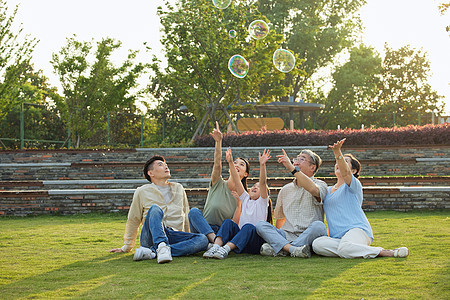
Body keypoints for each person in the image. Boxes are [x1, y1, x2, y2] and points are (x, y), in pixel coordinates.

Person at [312, 139, 409, 259]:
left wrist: (338, 153)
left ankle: (384, 252)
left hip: (358, 231)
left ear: (353, 171)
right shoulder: (327, 190)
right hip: (337, 237)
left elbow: (346, 174)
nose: (338, 163)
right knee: (317, 245)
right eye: (337, 161)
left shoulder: (354, 185)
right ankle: (350, 249)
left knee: (345, 248)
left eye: (345, 161)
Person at [109, 155, 208, 264]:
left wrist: (187, 238)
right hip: (150, 237)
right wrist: (127, 247)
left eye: (166, 165)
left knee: (203, 239)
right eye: (161, 165)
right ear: (150, 173)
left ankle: (154, 252)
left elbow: (185, 215)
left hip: (174, 235)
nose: (166, 167)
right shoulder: (142, 191)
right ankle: (160, 245)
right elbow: (133, 219)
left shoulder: (178, 188)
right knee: (155, 209)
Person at [255, 149, 328, 258]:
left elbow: (314, 190)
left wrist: (292, 168)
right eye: (296, 159)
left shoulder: (320, 184)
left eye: (302, 159)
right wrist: (276, 238)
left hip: (309, 233)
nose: (297, 162)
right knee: (261, 225)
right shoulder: (285, 189)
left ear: (313, 167)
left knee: (319, 226)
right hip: (287, 234)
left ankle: (284, 249)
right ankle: (294, 249)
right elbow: (279, 218)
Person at [202, 147, 273, 259]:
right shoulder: (244, 198)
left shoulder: (263, 202)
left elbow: (263, 183)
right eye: (254, 186)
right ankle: (215, 247)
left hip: (253, 242)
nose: (255, 187)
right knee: (228, 223)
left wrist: (262, 165)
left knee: (248, 227)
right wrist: (230, 162)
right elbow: (235, 178)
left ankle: (225, 249)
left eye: (258, 188)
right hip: (240, 240)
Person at [188, 122, 250, 245]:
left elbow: (234, 225)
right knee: (194, 212)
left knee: (225, 227)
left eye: (241, 164)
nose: (237, 165)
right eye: (235, 162)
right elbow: (217, 164)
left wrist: (239, 204)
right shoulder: (218, 183)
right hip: (204, 229)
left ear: (246, 174)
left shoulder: (244, 196)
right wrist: (218, 142)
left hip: (223, 233)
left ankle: (214, 243)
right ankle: (213, 241)